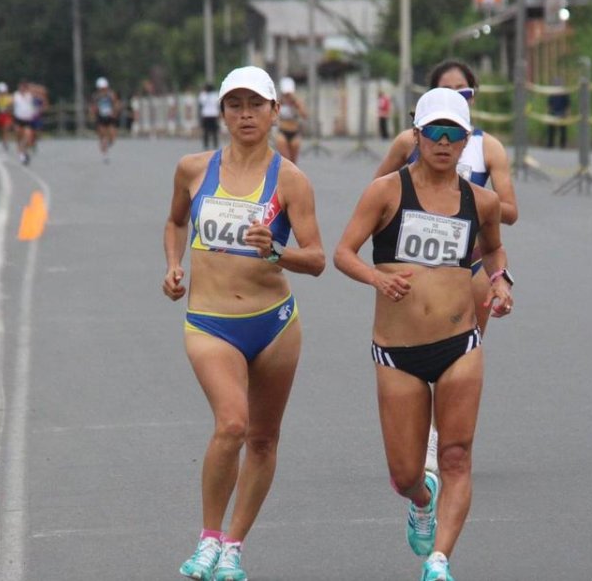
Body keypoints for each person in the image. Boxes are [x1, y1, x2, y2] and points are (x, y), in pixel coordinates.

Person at [334, 87, 513, 581]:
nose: (441, 141)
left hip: (460, 345)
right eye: (432, 131)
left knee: (456, 455)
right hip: (397, 353)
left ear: (465, 141)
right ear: (416, 135)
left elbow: (494, 251)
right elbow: (344, 252)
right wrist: (377, 277)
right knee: (406, 473)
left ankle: (439, 560)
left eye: (452, 133)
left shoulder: (481, 201)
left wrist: (499, 283)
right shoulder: (387, 191)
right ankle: (421, 501)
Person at [163, 66, 325, 581]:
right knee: (232, 423)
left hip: (274, 324)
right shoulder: (193, 169)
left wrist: (276, 251)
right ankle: (208, 538)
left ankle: (234, 546)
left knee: (262, 439)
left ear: (276, 111)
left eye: (255, 105)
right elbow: (175, 222)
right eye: (235, 105)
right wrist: (174, 265)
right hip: (210, 322)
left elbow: (317, 258)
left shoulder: (291, 181)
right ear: (222, 113)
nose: (245, 115)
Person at [374, 59, 519, 475]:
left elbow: (509, 211)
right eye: (447, 90)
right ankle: (421, 438)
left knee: (460, 354)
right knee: (418, 345)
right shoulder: (409, 141)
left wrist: (470, 201)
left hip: (467, 263)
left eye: (464, 93)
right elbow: (376, 189)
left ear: (472, 99)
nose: (456, 98)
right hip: (416, 267)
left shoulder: (487, 147)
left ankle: (442, 439)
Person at [275, 76, 306, 164]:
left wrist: (295, 102)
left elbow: (304, 115)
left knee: (293, 162)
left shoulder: (296, 102)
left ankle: (292, 176)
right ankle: (284, 175)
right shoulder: (279, 102)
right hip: (282, 131)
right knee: (285, 160)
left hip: (294, 132)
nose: (287, 96)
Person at [92, 76, 121, 162]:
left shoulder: (111, 95)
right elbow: (93, 107)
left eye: (104, 88)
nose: (102, 90)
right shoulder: (96, 96)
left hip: (110, 117)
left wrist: (115, 113)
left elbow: (116, 104)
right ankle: (105, 154)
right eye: (101, 88)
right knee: (103, 136)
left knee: (112, 136)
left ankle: (108, 144)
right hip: (100, 117)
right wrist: (93, 113)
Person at [13, 81, 38, 165]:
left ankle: (23, 151)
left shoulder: (30, 95)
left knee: (27, 136)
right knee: (19, 135)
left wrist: (31, 88)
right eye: (20, 87)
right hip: (18, 119)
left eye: (24, 87)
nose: (22, 89)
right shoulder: (16, 95)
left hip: (27, 119)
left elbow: (41, 92)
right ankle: (21, 150)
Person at [545, 77, 571, 148]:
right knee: (551, 129)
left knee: (563, 130)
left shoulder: (565, 93)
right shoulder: (552, 93)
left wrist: (568, 114)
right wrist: (547, 114)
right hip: (553, 112)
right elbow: (549, 104)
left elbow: (567, 104)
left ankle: (563, 144)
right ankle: (550, 144)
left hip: (562, 113)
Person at [198, 82, 221, 150]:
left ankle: (206, 145)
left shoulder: (203, 95)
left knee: (206, 130)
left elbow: (201, 104)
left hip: (206, 115)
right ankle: (215, 144)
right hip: (214, 114)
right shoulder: (216, 95)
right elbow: (218, 104)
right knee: (214, 131)